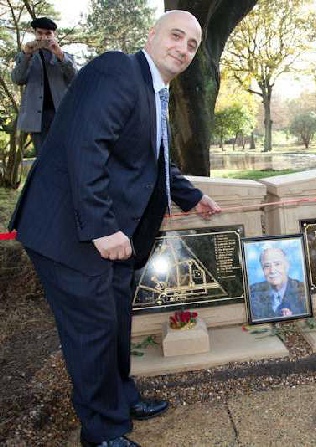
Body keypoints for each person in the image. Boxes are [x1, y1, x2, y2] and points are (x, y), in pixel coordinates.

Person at [9, 11, 221, 447]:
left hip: (115, 238)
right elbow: (85, 147)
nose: (182, 48)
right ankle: (103, 431)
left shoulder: (155, 92)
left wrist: (191, 196)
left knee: (116, 323)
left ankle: (121, 397)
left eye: (192, 44)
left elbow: (153, 160)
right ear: (152, 35)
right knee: (92, 333)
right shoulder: (118, 70)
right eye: (175, 36)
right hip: (72, 233)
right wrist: (103, 227)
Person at [11, 17, 77, 155]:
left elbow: (75, 78)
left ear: (54, 35)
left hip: (61, 114)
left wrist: (59, 54)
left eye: (48, 34)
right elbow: (17, 79)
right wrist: (27, 54)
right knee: (43, 157)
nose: (44, 38)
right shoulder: (25, 57)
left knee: (65, 154)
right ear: (35, 34)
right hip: (36, 118)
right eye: (40, 33)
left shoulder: (66, 56)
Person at [249, 247, 307, 321]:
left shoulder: (302, 289)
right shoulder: (253, 291)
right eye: (267, 266)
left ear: (287, 266)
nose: (272, 270)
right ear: (262, 269)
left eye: (277, 264)